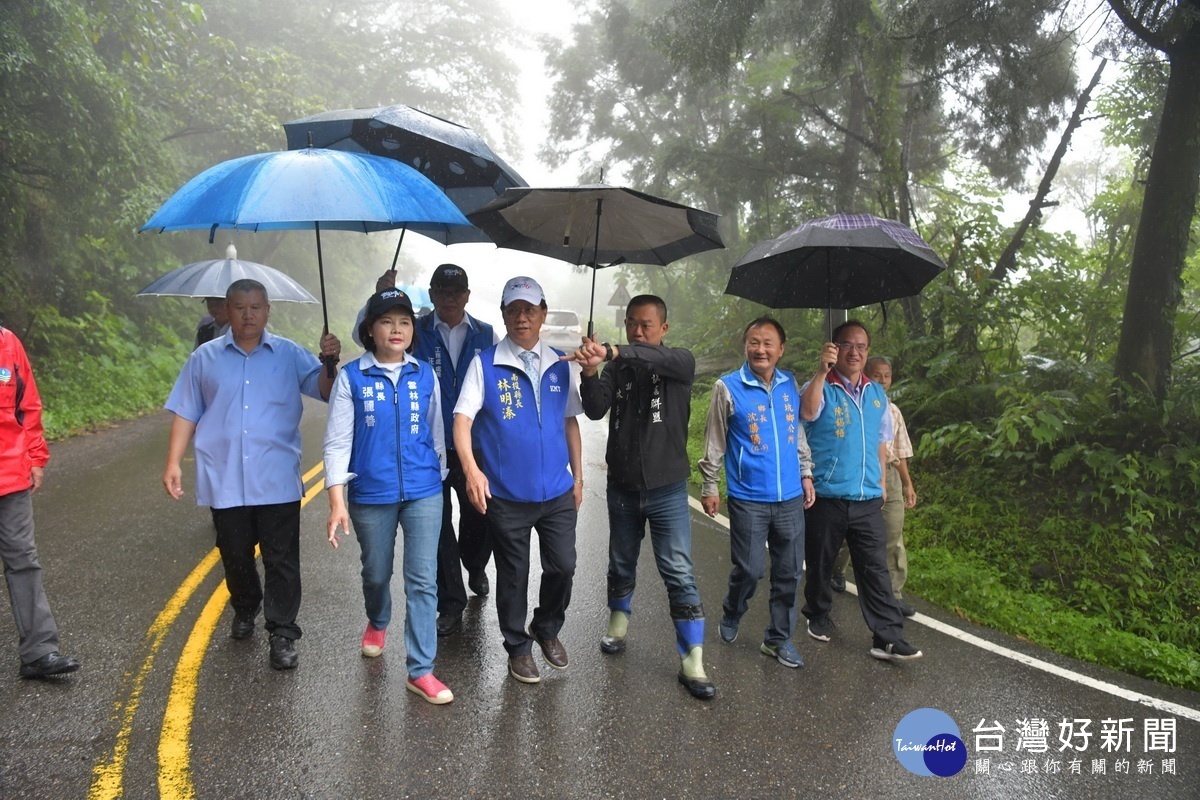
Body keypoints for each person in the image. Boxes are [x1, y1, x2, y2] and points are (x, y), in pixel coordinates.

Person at [163, 279, 341, 671]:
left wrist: (330, 361)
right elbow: (186, 410)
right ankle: (245, 606)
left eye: (256, 307)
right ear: (226, 310)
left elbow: (325, 391)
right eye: (240, 307)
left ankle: (282, 632)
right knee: (235, 555)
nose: (248, 314)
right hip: (223, 476)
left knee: (281, 559)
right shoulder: (205, 358)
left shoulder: (289, 354)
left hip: (276, 476)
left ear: (267, 310)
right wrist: (174, 462)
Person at [572, 295, 715, 700]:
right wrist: (591, 370)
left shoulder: (679, 362)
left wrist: (615, 350)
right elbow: (596, 410)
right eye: (631, 323)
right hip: (622, 485)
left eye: (646, 324)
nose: (638, 330)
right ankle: (618, 622)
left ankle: (693, 659)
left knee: (678, 571)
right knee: (620, 561)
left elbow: (661, 360)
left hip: (668, 488)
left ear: (664, 329)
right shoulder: (618, 368)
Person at [452, 276, 584, 685]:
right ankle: (518, 647)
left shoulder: (561, 363)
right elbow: (462, 420)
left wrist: (579, 477)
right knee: (513, 574)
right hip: (507, 494)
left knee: (563, 565)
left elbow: (571, 422)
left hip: (557, 491)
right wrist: (473, 470)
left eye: (529, 310)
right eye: (513, 310)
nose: (521, 318)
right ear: (504, 316)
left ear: (543, 314)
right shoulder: (486, 363)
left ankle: (546, 627)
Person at [324, 287, 452, 704]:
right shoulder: (352, 377)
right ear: (370, 330)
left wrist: (439, 474)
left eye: (404, 322)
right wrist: (337, 498)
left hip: (423, 491)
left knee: (422, 581)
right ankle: (378, 618)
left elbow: (436, 433)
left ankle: (421, 670)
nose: (396, 329)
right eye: (386, 321)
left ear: (413, 330)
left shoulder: (424, 374)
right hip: (371, 493)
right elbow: (338, 442)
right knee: (376, 572)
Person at [800, 320, 922, 662]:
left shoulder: (876, 394)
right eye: (847, 345)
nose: (854, 352)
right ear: (835, 348)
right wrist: (821, 373)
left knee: (874, 569)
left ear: (867, 352)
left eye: (861, 346)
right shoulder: (820, 385)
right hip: (827, 494)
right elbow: (807, 412)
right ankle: (818, 614)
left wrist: (882, 483)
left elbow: (883, 442)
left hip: (868, 497)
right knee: (821, 562)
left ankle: (887, 636)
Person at [698, 318, 815, 670]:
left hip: (791, 496)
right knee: (749, 569)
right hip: (749, 497)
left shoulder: (789, 384)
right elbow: (715, 440)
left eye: (767, 343)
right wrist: (709, 484)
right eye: (753, 342)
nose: (760, 349)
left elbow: (797, 432)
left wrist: (806, 472)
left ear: (781, 348)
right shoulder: (728, 387)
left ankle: (777, 639)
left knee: (790, 572)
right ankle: (733, 610)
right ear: (745, 346)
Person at [411, 263, 499, 637]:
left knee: (481, 516)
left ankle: (475, 564)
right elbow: (368, 333)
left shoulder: (485, 333)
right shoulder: (415, 331)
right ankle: (451, 602)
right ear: (431, 294)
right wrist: (378, 295)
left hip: (474, 444)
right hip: (428, 444)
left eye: (456, 291)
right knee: (438, 525)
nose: (449, 297)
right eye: (442, 291)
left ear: (466, 294)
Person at [0, 325, 81, 679]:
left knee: (24, 560)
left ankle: (39, 652)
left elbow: (27, 405)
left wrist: (35, 457)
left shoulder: (8, 343)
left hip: (9, 471)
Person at [829, 355, 918, 617]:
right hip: (860, 471)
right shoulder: (852, 402)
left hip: (888, 473)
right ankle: (835, 570)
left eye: (886, 376)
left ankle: (893, 595)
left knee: (892, 533)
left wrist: (907, 485)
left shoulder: (892, 410)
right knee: (851, 530)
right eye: (876, 375)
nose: (881, 380)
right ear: (866, 374)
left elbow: (899, 452)